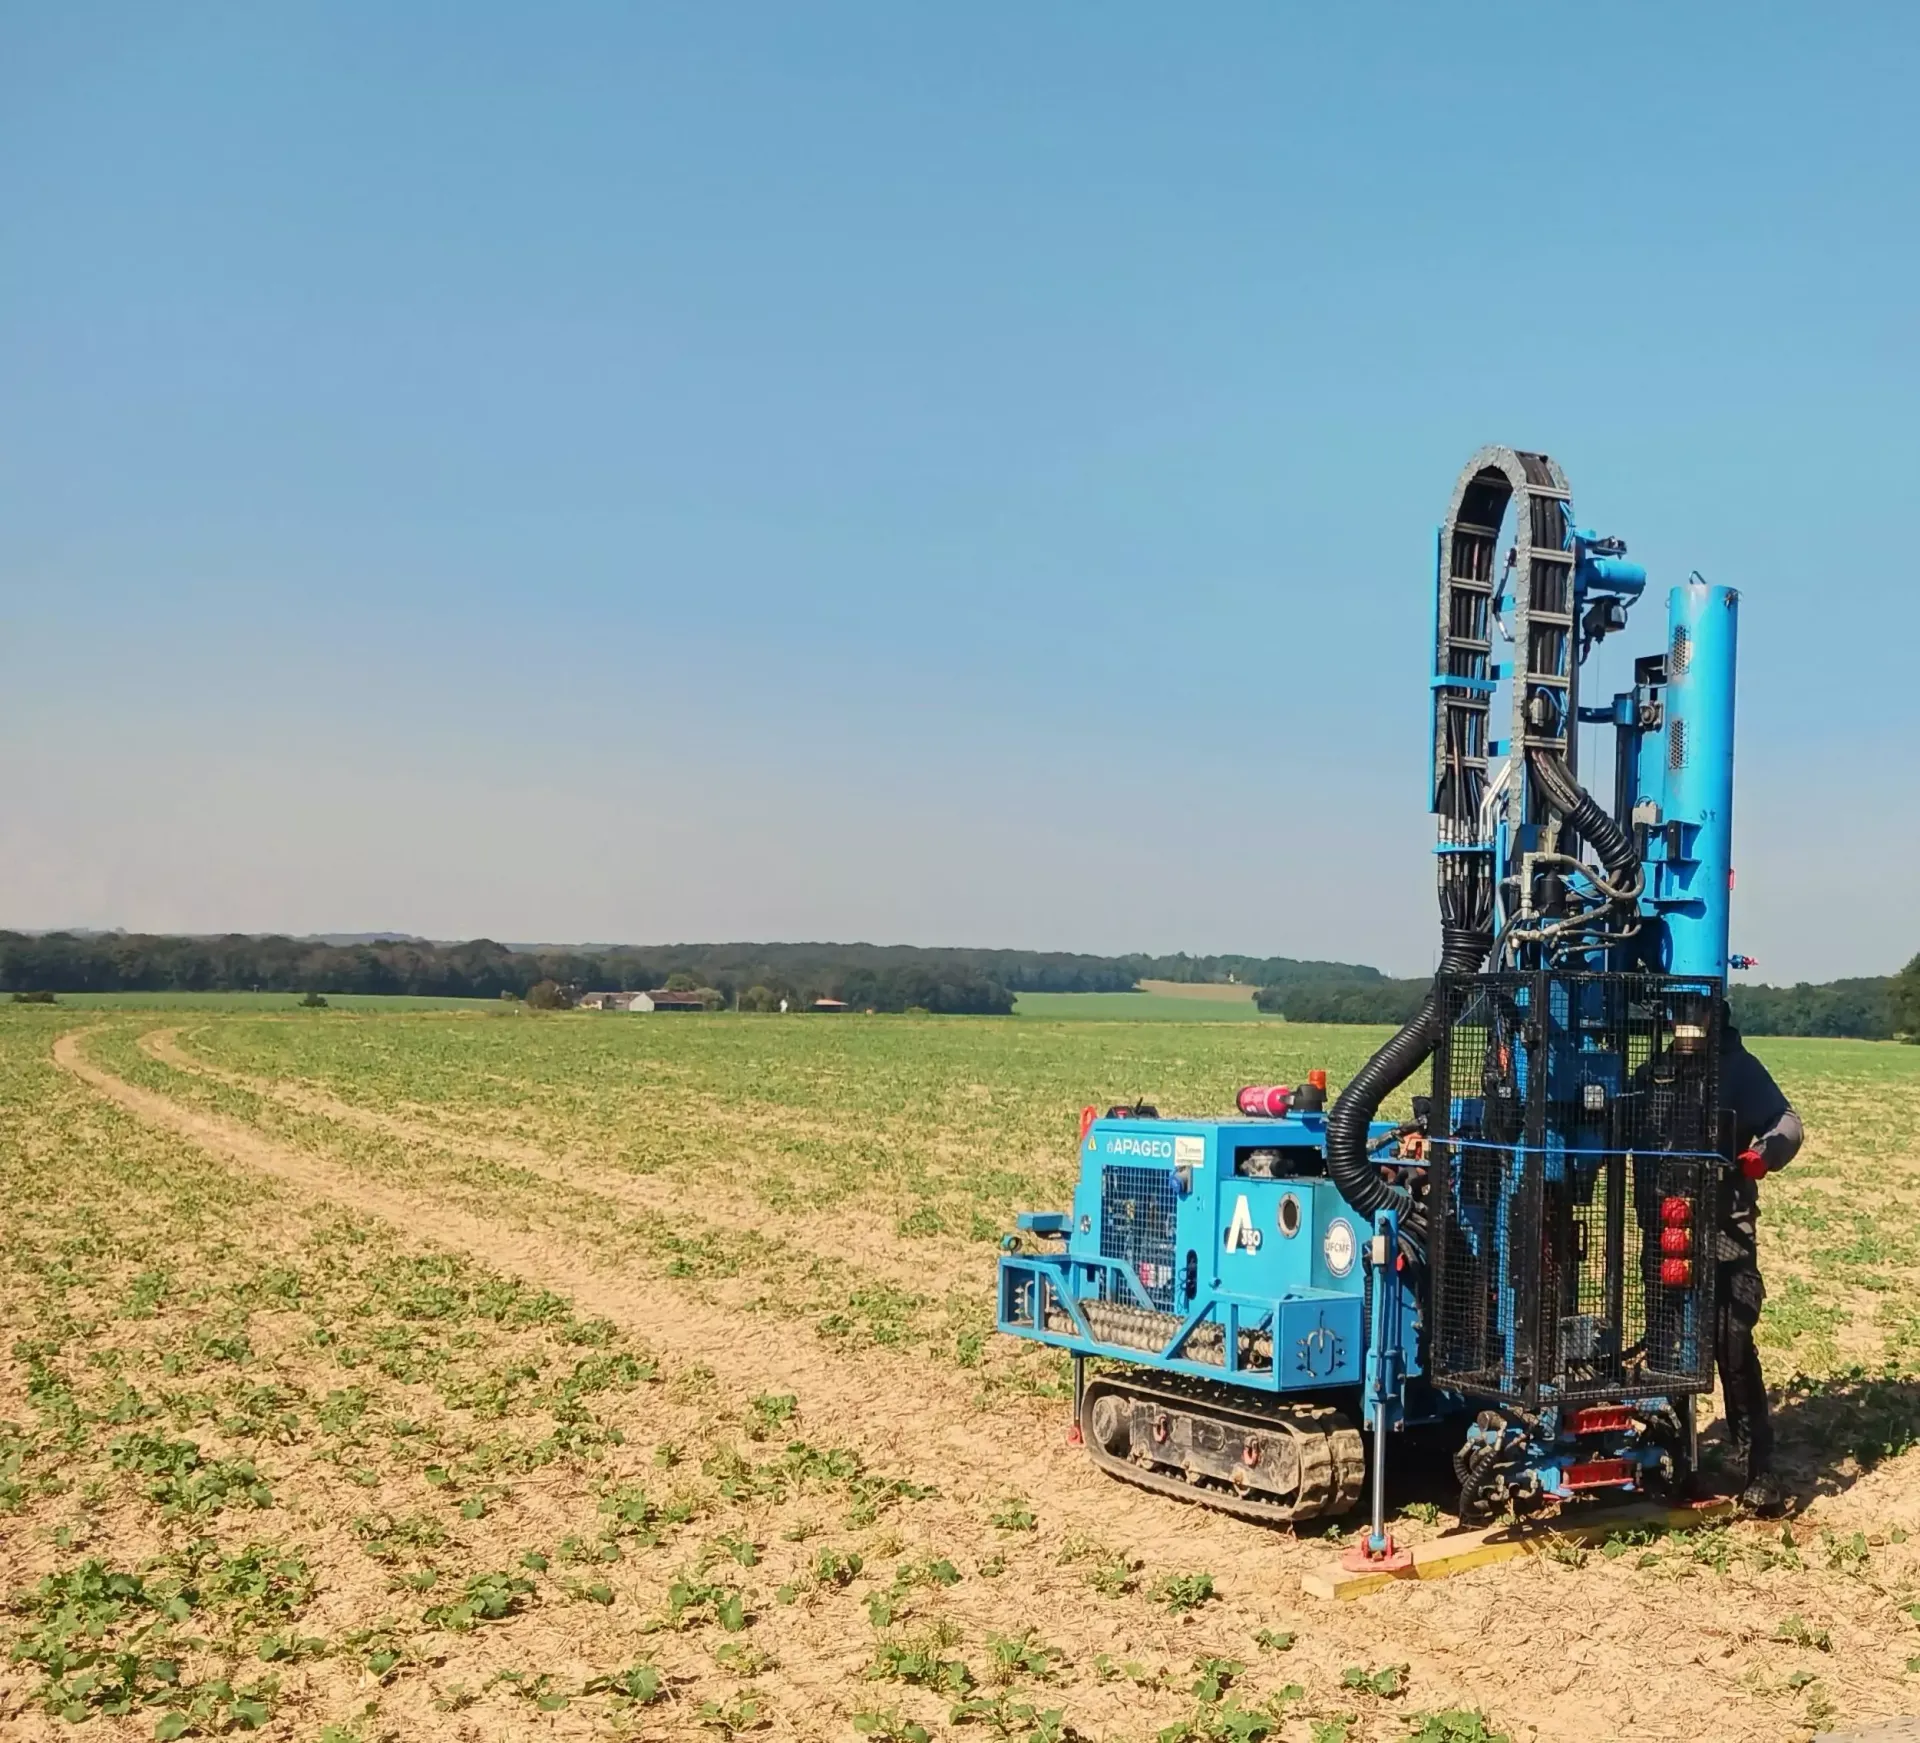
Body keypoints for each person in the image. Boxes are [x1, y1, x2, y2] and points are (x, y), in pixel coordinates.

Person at [1712, 1006, 1803, 1514]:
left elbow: (1786, 1123)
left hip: (1728, 1230)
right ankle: (1676, 1458)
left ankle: (1757, 1467)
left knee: (1734, 1344)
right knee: (1668, 1350)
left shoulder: (1739, 1068)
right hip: (1667, 1233)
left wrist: (1763, 1155)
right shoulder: (1656, 1070)